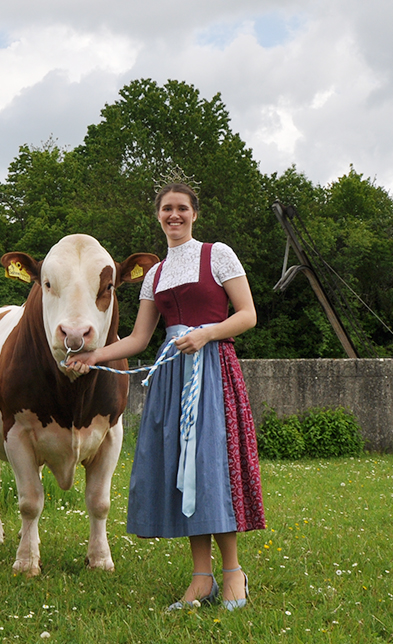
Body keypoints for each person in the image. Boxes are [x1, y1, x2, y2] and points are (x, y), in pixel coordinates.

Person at [67, 182, 265, 611]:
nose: (173, 216)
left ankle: (233, 574)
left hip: (212, 369)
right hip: (172, 375)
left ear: (194, 213)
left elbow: (247, 315)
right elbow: (139, 338)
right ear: (157, 216)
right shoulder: (154, 274)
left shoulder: (218, 255)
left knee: (212, 464)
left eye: (181, 209)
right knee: (184, 470)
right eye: (166, 210)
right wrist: (93, 355)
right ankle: (201, 579)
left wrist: (207, 333)